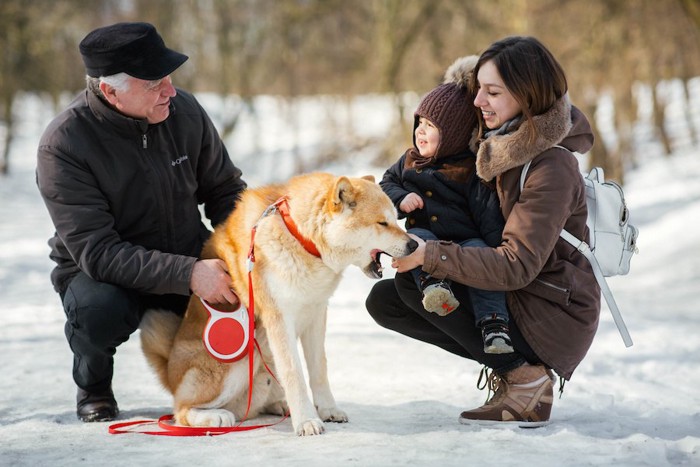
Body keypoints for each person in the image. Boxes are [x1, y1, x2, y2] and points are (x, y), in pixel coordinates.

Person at [366, 36, 601, 427]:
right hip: (520, 295)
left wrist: (430, 255)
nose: (478, 102)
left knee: (418, 280)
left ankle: (524, 378)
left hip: (551, 310)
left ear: (527, 95)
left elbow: (516, 266)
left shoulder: (551, 166)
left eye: (492, 92)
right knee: (387, 299)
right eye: (479, 91)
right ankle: (513, 370)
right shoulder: (494, 147)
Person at [35, 22, 247, 423]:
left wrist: (246, 246)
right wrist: (189, 274)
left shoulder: (183, 111)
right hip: (103, 273)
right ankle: (94, 386)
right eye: (153, 83)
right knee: (98, 311)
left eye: (168, 77)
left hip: (184, 249)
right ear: (109, 90)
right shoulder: (63, 145)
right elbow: (98, 252)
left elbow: (225, 190)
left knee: (242, 294)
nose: (169, 90)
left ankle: (237, 384)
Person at [379, 56, 513, 354]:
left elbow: (486, 213)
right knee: (415, 240)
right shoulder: (409, 161)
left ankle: (494, 324)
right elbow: (386, 184)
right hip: (427, 237)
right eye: (420, 123)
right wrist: (401, 199)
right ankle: (434, 289)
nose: (421, 131)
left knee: (481, 253)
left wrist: (497, 250)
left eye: (431, 126)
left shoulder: (469, 169)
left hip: (466, 242)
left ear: (452, 135)